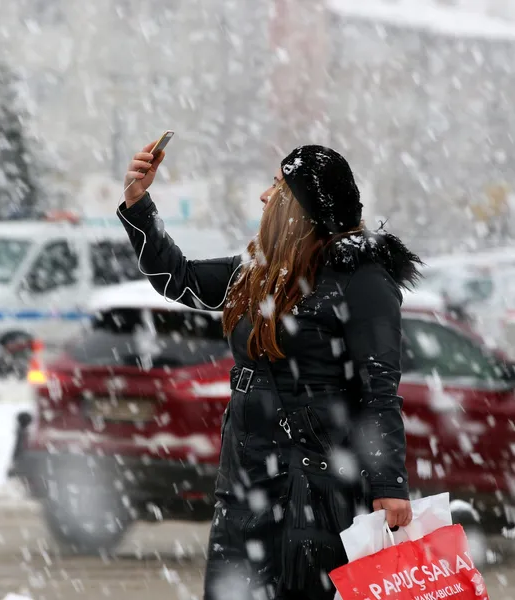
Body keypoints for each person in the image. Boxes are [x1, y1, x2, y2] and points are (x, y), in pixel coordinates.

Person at [117, 140, 420, 600]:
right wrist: (139, 203)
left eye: (277, 186)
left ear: (306, 205)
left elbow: (378, 390)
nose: (264, 196)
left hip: (315, 493)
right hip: (243, 487)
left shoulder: (363, 280)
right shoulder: (260, 272)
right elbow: (178, 277)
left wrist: (388, 482)